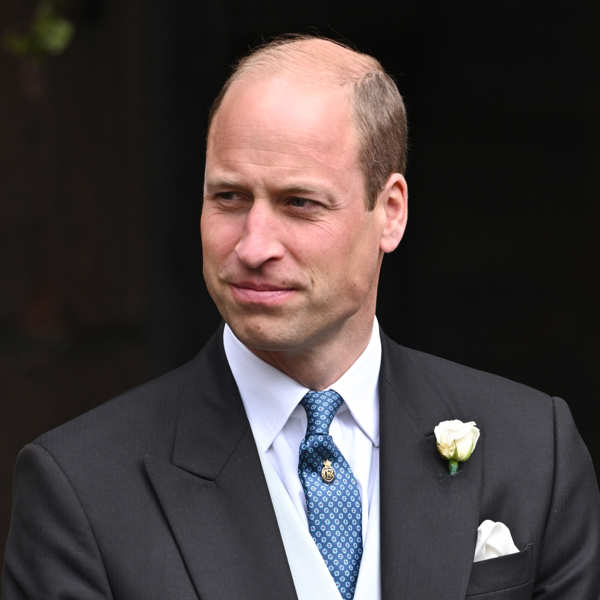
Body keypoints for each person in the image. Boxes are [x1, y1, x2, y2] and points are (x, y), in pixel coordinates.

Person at [2, 35, 599, 600]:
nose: (254, 245)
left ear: (389, 212)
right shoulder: (80, 488)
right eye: (229, 197)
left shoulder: (533, 450)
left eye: (299, 203)